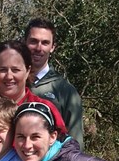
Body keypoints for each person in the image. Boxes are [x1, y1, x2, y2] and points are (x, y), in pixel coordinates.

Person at [24, 17, 84, 147]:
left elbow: (75, 145)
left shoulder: (66, 92)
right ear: (25, 42)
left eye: (45, 43)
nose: (38, 48)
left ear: (52, 47)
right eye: (33, 41)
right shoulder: (12, 83)